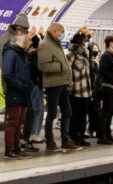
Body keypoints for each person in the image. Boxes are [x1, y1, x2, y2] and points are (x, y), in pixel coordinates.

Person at [38, 23, 80, 151]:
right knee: (52, 113)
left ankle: (65, 140)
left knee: (67, 111)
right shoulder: (45, 44)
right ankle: (50, 141)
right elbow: (43, 66)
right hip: (53, 84)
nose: (62, 35)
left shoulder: (56, 43)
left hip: (62, 83)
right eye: (60, 32)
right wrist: (61, 66)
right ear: (54, 31)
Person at [2, 25, 33, 159]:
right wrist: (21, 86)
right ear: (17, 36)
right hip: (15, 93)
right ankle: (9, 151)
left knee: (19, 122)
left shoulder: (21, 52)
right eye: (24, 34)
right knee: (13, 122)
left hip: (22, 92)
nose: (27, 37)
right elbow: (8, 74)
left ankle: (16, 148)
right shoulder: (10, 52)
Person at [67, 32, 93, 147]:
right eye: (83, 42)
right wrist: (70, 85)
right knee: (75, 116)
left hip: (86, 91)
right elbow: (68, 72)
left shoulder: (85, 56)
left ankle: (81, 136)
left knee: (83, 116)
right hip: (76, 91)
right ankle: (74, 136)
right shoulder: (71, 55)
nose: (84, 45)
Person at [21, 33, 44, 152]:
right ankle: (32, 135)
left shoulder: (29, 54)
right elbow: (39, 70)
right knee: (36, 110)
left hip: (34, 85)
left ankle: (31, 135)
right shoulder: (33, 55)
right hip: (34, 85)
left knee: (35, 110)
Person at [96, 35, 113, 145]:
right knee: (105, 113)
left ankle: (108, 134)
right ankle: (102, 136)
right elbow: (103, 70)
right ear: (111, 43)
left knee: (110, 112)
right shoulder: (106, 55)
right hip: (108, 87)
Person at [87, 42, 101, 138]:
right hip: (90, 88)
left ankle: (94, 128)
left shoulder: (97, 61)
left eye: (97, 49)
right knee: (92, 110)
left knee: (96, 110)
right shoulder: (89, 61)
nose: (96, 51)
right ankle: (90, 129)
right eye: (94, 49)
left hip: (97, 88)